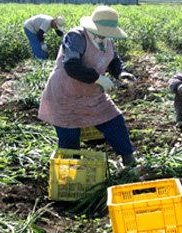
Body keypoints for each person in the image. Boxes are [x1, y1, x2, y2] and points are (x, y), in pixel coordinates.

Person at [37, 6, 137, 167]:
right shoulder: (76, 36)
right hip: (65, 95)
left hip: (92, 95)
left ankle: (129, 161)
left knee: (115, 121)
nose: (105, 34)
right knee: (69, 138)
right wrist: (98, 78)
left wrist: (122, 73)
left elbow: (114, 62)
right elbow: (71, 65)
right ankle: (72, 173)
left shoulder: (107, 40)